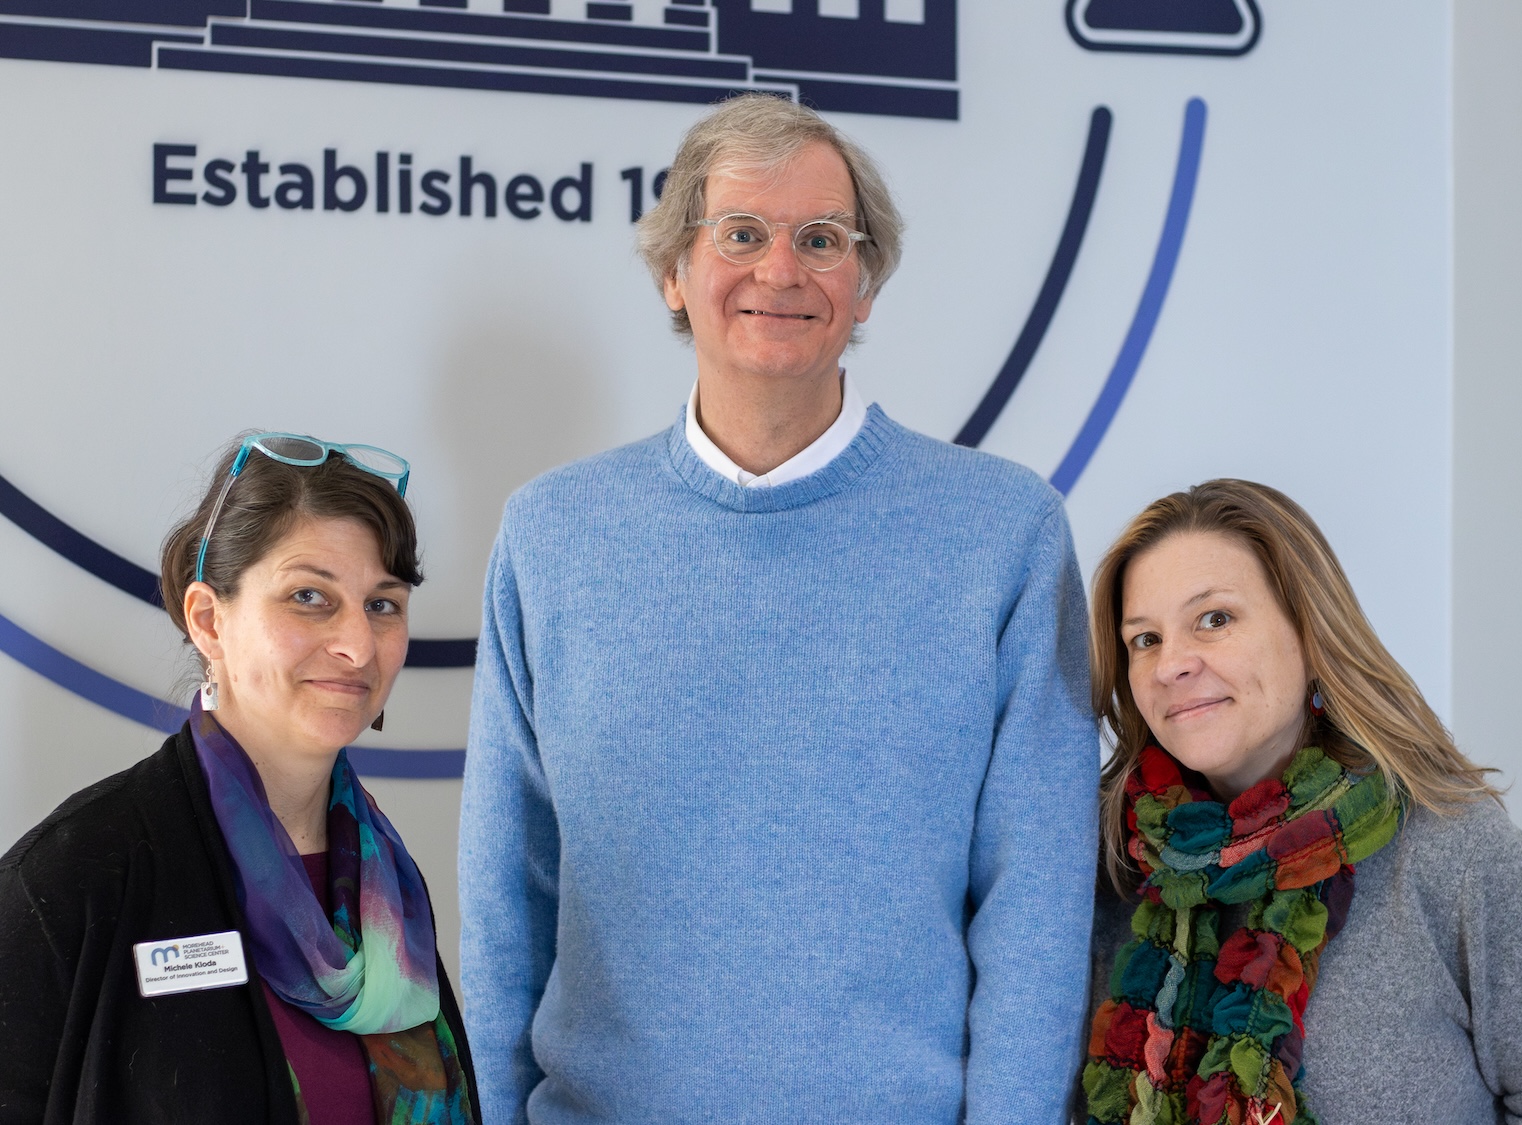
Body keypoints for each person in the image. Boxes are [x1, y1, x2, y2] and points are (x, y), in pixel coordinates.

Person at [460, 93, 1101, 1124]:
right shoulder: (552, 536)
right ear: (674, 271)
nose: (780, 270)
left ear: (864, 285)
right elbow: (506, 894)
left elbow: (1035, 901)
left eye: (821, 239)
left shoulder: (1002, 534)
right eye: (741, 234)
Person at [1079, 478, 1522, 1125]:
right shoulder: (1103, 873)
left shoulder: (1455, 857)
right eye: (1144, 638)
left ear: (1309, 629)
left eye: (1214, 618)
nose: (1171, 664)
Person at [0, 433, 479, 1124]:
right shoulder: (75, 878)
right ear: (208, 619)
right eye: (309, 595)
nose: (357, 644)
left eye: (383, 603)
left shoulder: (387, 890)